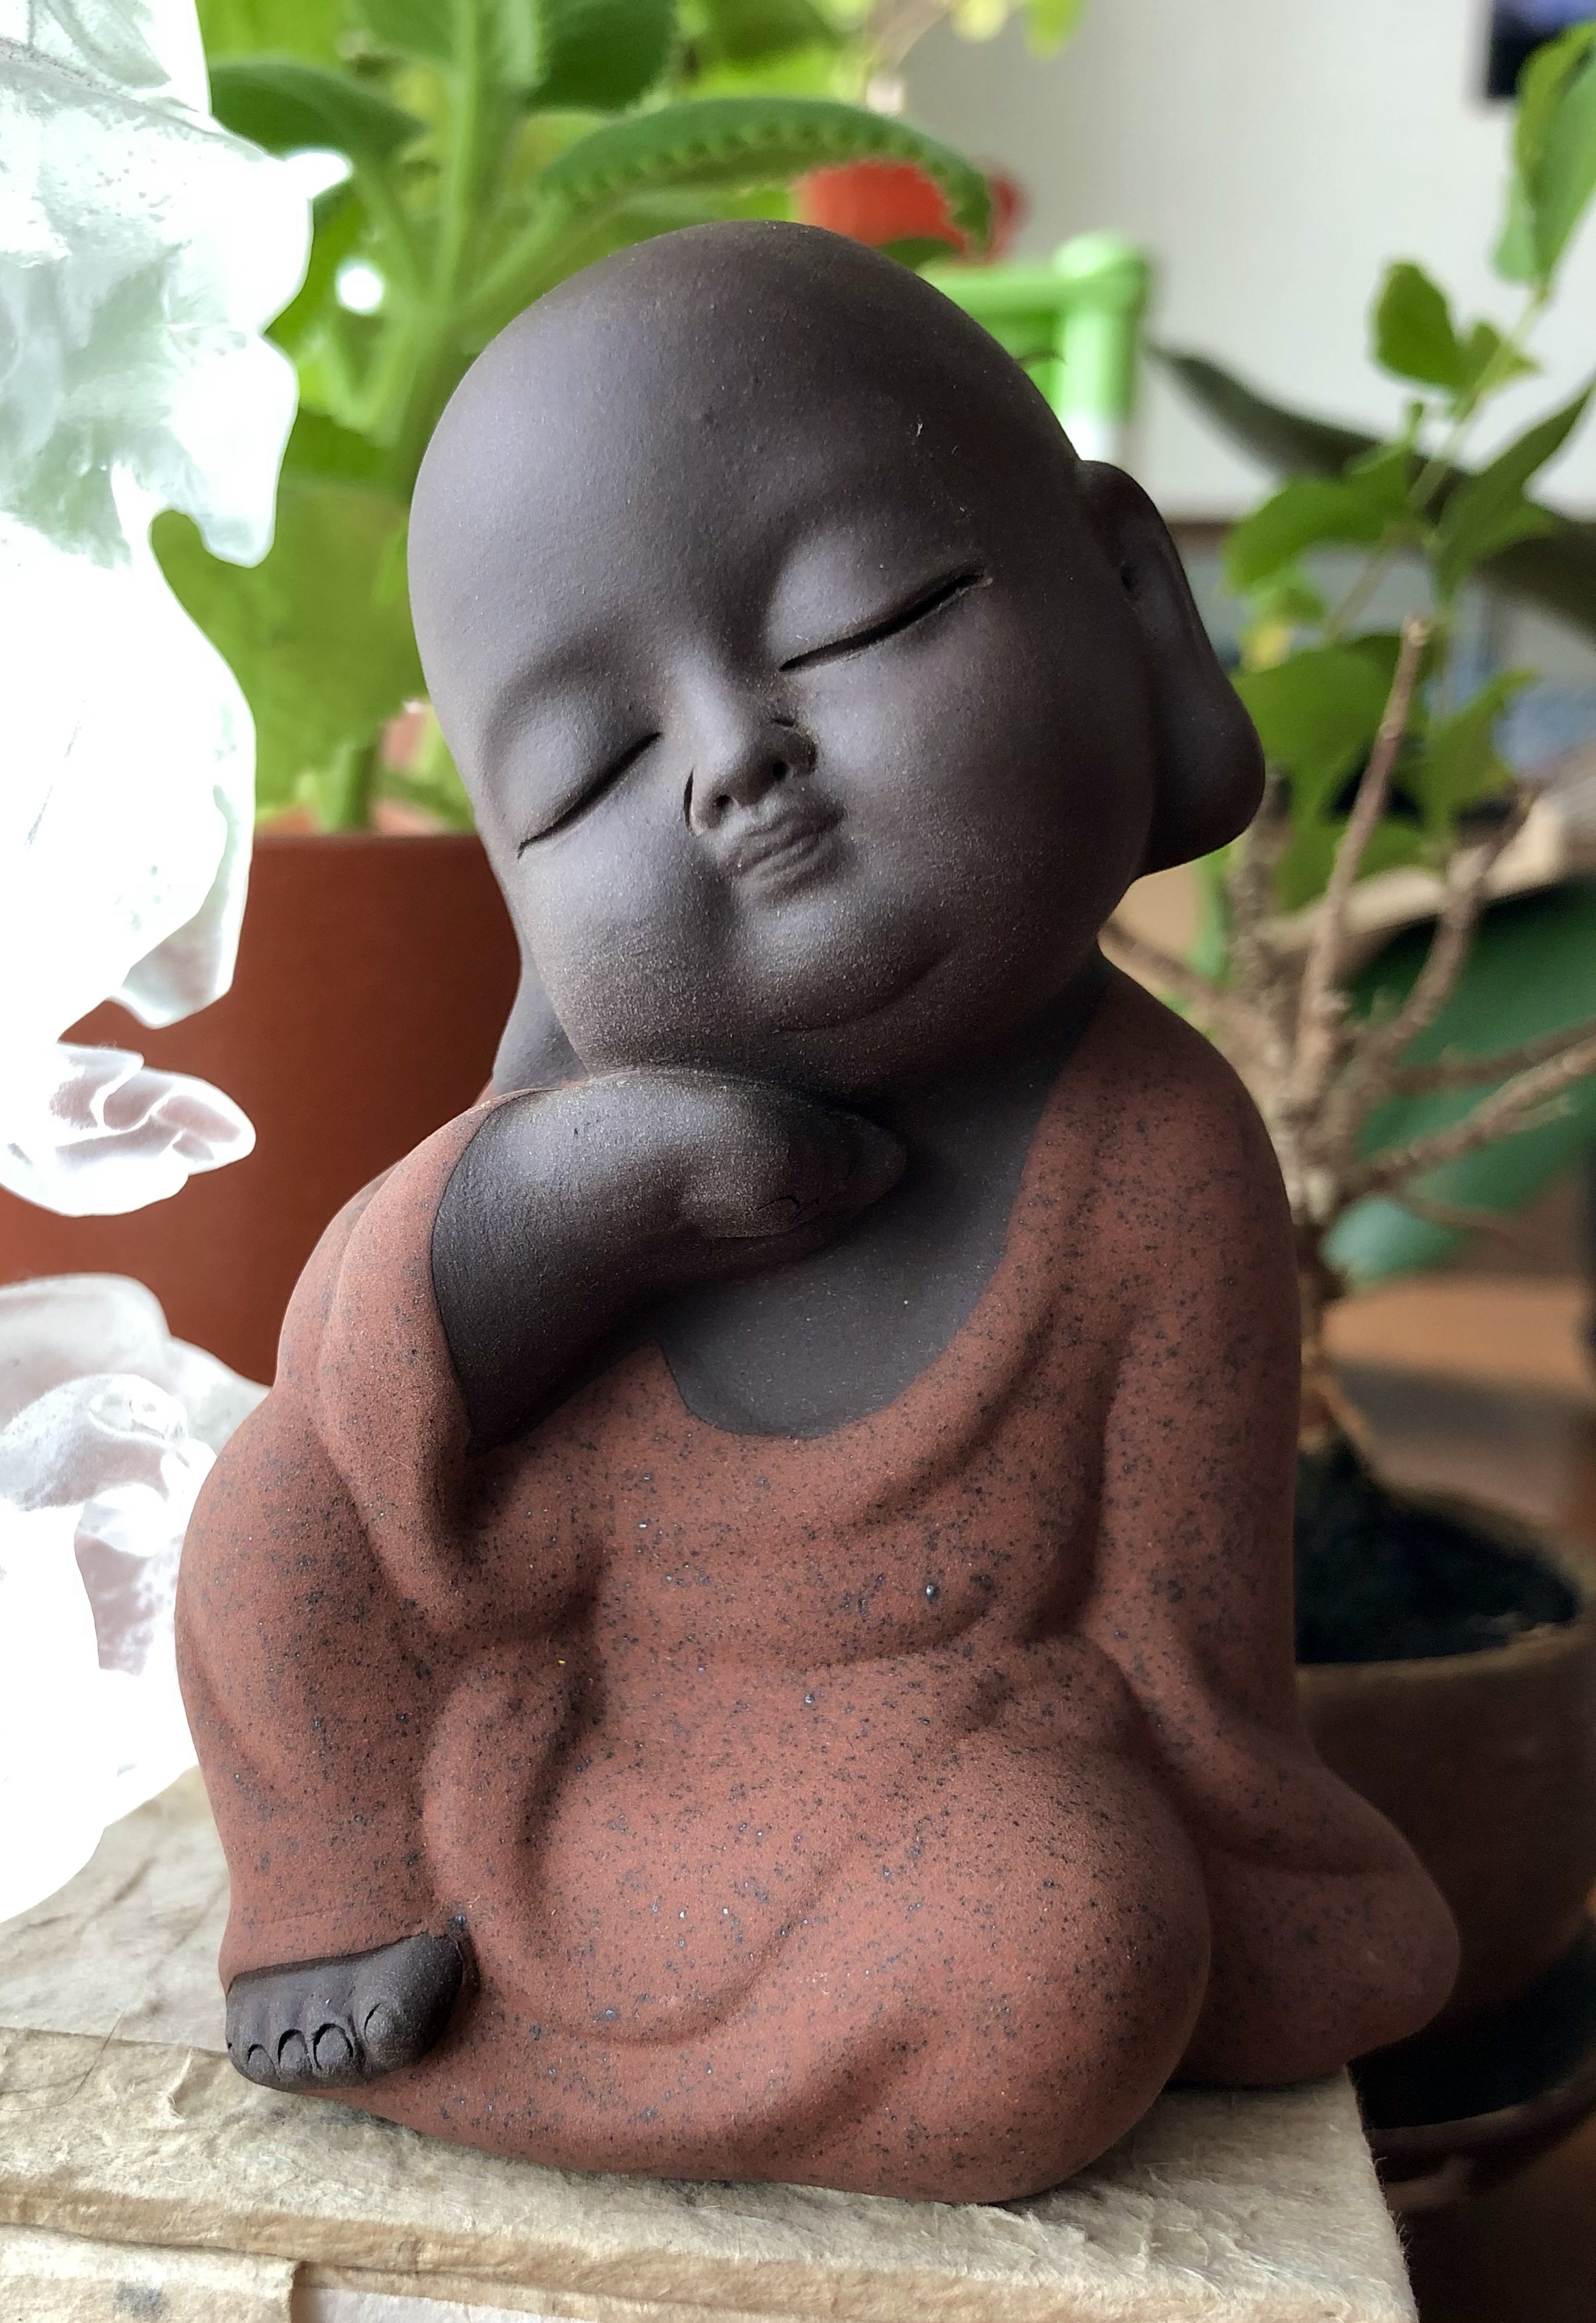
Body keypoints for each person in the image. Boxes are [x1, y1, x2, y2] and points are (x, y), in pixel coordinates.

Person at [176, 222, 1458, 2204]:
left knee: (1076, 1940)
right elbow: (370, 1407)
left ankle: (511, 2060)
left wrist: (1186, 1853)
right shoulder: (569, 1140)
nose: (733, 767)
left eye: (863, 617)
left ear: (1126, 597)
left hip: (919, 1807)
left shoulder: (1155, 1154)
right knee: (279, 1503)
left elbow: (1190, 1663)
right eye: (594, 768)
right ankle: (341, 1917)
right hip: (527, 1748)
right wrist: (566, 1205)